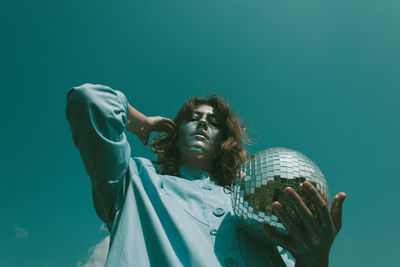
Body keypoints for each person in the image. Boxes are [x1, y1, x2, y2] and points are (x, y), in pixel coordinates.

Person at [66, 83, 346, 267]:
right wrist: (141, 123)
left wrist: (317, 259)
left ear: (222, 142)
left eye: (213, 123)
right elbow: (90, 100)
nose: (202, 123)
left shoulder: (250, 207)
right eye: (192, 118)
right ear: (175, 134)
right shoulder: (135, 180)